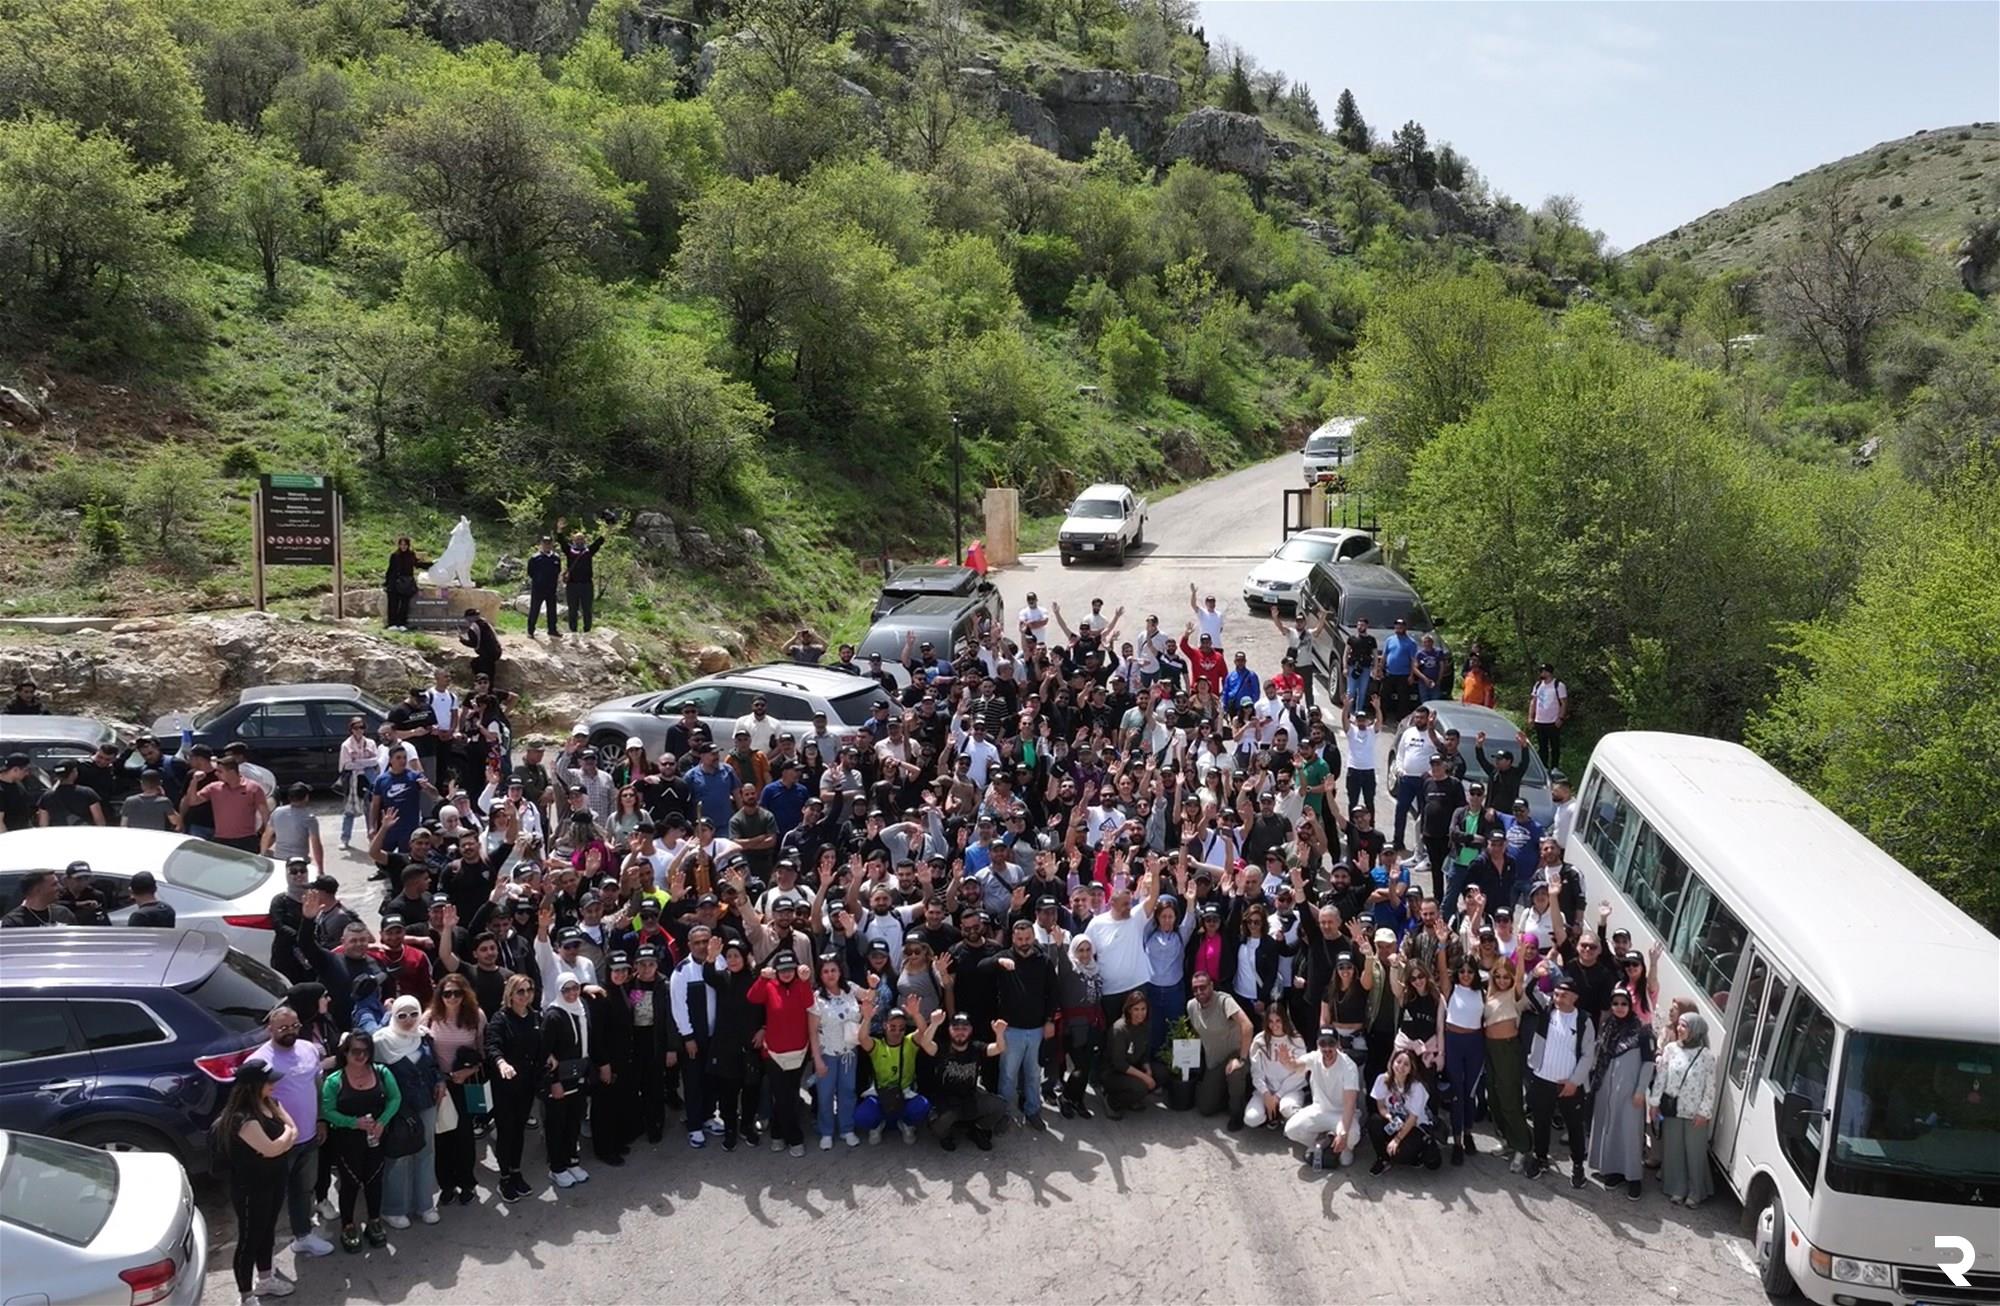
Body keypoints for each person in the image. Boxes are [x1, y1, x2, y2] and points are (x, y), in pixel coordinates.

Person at [214, 1060, 298, 1306]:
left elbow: (294, 1130)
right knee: (250, 1238)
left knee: (267, 1232)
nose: (274, 1084)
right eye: (268, 1081)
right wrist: (286, 1137)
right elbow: (273, 1148)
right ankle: (246, 1295)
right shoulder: (243, 1119)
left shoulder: (271, 1103)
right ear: (253, 1086)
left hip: (274, 1179)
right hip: (251, 1188)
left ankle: (265, 1279)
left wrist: (286, 1137)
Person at [319, 1029, 400, 1253]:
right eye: (355, 1051)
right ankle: (348, 1225)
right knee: (350, 1184)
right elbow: (327, 1110)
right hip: (347, 1142)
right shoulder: (335, 1081)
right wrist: (353, 1123)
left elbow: (395, 1098)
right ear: (345, 1052)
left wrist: (382, 1121)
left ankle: (374, 1221)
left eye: (366, 1051)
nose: (361, 1056)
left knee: (375, 1180)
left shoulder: (382, 1072)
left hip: (376, 1139)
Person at [372, 996, 441, 1227]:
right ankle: (394, 1208)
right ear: (393, 1016)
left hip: (426, 1101)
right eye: (402, 1015)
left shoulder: (423, 1036)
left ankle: (424, 1204)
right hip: (397, 1108)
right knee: (398, 1155)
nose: (409, 1020)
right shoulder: (381, 1041)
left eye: (413, 1013)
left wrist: (440, 1081)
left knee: (426, 1151)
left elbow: (434, 1065)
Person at [1524, 975, 1596, 1187]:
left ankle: (1577, 1167)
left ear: (1575, 997)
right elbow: (1529, 991)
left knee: (1574, 1126)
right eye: (1556, 993)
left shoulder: (1583, 1020)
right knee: (1541, 1122)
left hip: (1568, 1084)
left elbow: (1588, 1055)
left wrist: (1574, 1082)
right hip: (1542, 1078)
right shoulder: (1547, 1010)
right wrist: (1536, 974)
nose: (1558, 997)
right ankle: (1541, 1158)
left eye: (1563, 994)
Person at [1586, 985, 1656, 1200]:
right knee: (1609, 1127)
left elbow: (1649, 1063)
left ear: (1630, 1006)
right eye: (1615, 1003)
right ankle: (1613, 1171)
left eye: (1624, 1004)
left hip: (1630, 1091)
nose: (1619, 1007)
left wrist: (1640, 1090)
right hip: (1606, 1088)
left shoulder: (1642, 1031)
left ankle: (1634, 1178)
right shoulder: (1607, 1026)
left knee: (1629, 1133)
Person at [422, 975, 485, 1206]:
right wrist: (439, 1079)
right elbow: (422, 1053)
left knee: (466, 1137)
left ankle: (467, 1183)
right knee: (443, 1136)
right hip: (440, 1085)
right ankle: (446, 1184)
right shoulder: (429, 1018)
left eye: (457, 993)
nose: (452, 998)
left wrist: (468, 1072)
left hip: (467, 1083)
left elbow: (482, 1052)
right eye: (447, 993)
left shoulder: (476, 1016)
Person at [747, 951, 815, 1157]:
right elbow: (752, 997)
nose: (786, 974)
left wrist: (804, 981)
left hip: (799, 1051)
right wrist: (762, 977)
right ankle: (795, 1138)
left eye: (790, 969)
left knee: (790, 1095)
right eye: (782, 970)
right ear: (776, 971)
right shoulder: (769, 986)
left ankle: (777, 1133)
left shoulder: (801, 985)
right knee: (782, 1096)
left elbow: (808, 1003)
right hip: (774, 1054)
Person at [484, 974, 545, 1203]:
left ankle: (516, 1170)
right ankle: (504, 1177)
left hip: (527, 1084)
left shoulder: (536, 1017)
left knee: (519, 1130)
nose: (526, 995)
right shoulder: (501, 1019)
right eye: (520, 991)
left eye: (529, 990)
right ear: (510, 994)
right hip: (505, 1086)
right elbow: (492, 1046)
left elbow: (541, 1045)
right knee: (506, 1130)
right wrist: (502, 1063)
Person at [913, 1010, 1008, 1152]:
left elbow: (999, 1048)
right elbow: (926, 1044)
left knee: (1000, 1105)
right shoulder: (942, 1048)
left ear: (971, 1030)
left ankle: (977, 1130)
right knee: (938, 1125)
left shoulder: (976, 1047)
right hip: (946, 1101)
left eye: (964, 1028)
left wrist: (999, 1033)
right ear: (949, 1030)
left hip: (970, 1097)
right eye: (956, 1028)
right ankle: (946, 1135)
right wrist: (934, 1024)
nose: (960, 1032)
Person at [1650, 1011, 1718, 1207]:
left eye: (1684, 1026)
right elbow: (1661, 1077)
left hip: (1695, 1114)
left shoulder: (1706, 1056)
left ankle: (1696, 1191)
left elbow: (1710, 1087)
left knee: (1694, 1153)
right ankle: (1677, 1189)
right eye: (1679, 1025)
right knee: (1674, 1151)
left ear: (1695, 1031)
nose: (1679, 1029)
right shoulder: (1671, 1049)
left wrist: (1704, 1112)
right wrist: (1654, 1103)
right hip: (1672, 1110)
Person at [807, 952, 866, 1149]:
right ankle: (826, 1131)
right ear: (820, 975)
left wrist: (873, 985)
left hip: (849, 1052)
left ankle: (847, 1129)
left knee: (848, 1091)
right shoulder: (817, 999)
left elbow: (870, 999)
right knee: (825, 1094)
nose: (830, 975)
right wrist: (818, 1060)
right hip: (827, 1053)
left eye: (833, 970)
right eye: (825, 971)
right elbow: (813, 1032)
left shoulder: (851, 989)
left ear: (840, 971)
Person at [541, 973, 593, 1191]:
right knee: (557, 1126)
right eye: (566, 990)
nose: (572, 993)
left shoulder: (582, 1008)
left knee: (574, 1121)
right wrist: (553, 1082)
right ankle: (557, 1168)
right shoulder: (553, 1015)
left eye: (575, 988)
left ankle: (572, 1160)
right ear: (559, 991)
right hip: (560, 1081)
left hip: (579, 1077)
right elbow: (545, 1052)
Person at [1285, 1026, 1363, 1169]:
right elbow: (1297, 1066)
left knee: (1352, 1138)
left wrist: (1343, 1133)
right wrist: (1288, 1062)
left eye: (1331, 1043)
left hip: (1342, 1114)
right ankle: (1321, 1143)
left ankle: (1345, 1147)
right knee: (1291, 1129)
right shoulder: (1314, 1057)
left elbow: (1350, 1104)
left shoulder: (1348, 1066)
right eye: (1323, 1044)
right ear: (1317, 1045)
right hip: (1320, 1110)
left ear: (1338, 1045)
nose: (1327, 1048)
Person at [1186, 969, 1252, 1127]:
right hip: (1214, 1063)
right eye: (1195, 988)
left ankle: (1237, 1113)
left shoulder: (1224, 1001)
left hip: (1235, 1055)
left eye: (1203, 987)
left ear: (1211, 985)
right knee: (1205, 1108)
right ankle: (1230, 1094)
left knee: (1235, 1072)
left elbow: (1247, 1025)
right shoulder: (1191, 1006)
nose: (1199, 991)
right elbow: (1196, 1034)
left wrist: (1241, 1059)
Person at [1367, 1047, 1440, 1174]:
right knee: (1374, 1121)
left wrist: (1397, 1139)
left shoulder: (1417, 1087)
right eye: (1398, 1061)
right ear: (1392, 1062)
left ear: (1411, 1069)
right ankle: (1383, 1159)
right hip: (1396, 1121)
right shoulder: (1382, 1079)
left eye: (1406, 1064)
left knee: (1401, 1155)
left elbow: (1413, 1118)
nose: (1401, 1066)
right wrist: (1389, 1117)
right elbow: (1381, 1106)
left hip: (1415, 1126)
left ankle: (1419, 1152)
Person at [1245, 1004, 1310, 1130]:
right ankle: (1271, 1115)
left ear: (1284, 1020)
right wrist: (1266, 1094)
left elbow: (1300, 1073)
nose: (1274, 1025)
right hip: (1266, 1091)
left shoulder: (1296, 1040)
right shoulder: (1259, 1041)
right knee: (1251, 1119)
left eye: (1278, 1021)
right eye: (1270, 1021)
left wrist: (1278, 1095)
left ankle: (1284, 1116)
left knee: (1288, 1109)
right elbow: (1256, 1072)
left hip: (1290, 1090)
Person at [1102, 990, 1156, 1119]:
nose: (1140, 1013)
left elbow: (1145, 1052)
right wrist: (1145, 1077)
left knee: (1162, 1074)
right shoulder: (1119, 1029)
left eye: (1143, 1009)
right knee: (1142, 1087)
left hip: (1133, 1066)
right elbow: (1119, 1063)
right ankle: (1112, 1101)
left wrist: (1147, 1069)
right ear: (1129, 1010)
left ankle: (1132, 1099)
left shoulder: (1145, 1025)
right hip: (1114, 1073)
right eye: (1136, 1009)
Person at [1527, 663, 1569, 769]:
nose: (1542, 673)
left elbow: (1564, 702)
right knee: (1542, 747)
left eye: (1544, 671)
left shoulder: (1558, 685)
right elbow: (1533, 701)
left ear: (1549, 672)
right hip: (1539, 720)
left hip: (1553, 721)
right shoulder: (1538, 685)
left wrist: (1561, 718)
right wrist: (1531, 717)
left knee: (1555, 746)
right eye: (1541, 671)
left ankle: (1555, 767)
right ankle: (1543, 767)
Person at [0, 870, 76, 927]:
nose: (60, 888)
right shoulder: (12, 923)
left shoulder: (64, 914)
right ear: (37, 889)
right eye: (54, 884)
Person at [525, 535, 562, 639]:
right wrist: (538, 580)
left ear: (552, 545)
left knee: (552, 610)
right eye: (545, 543)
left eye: (549, 543)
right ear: (541, 544)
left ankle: (552, 630)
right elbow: (530, 572)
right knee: (534, 610)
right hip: (538, 589)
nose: (547, 545)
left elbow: (558, 571)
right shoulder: (535, 558)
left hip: (551, 588)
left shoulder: (556, 558)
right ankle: (530, 631)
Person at [383, 537, 423, 631]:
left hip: (407, 583)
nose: (403, 546)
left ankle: (402, 624)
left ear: (408, 545)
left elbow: (418, 564)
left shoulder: (411, 555)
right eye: (401, 544)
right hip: (395, 582)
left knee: (404, 604)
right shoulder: (394, 555)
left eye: (405, 545)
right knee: (393, 604)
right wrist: (387, 582)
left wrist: (432, 564)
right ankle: (392, 624)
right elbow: (390, 569)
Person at [461, 608, 502, 686]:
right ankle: (489, 686)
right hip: (497, 651)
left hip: (486, 654)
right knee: (489, 672)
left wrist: (463, 641)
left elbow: (474, 644)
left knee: (476, 665)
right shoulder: (485, 622)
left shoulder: (473, 627)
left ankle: (482, 685)